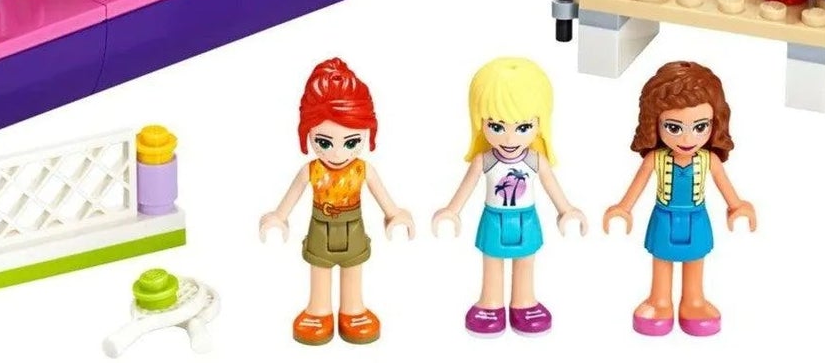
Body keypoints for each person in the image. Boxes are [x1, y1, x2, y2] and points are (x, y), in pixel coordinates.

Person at [260, 58, 414, 346]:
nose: (338, 153)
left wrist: (394, 214)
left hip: (353, 227)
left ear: (368, 133)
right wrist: (279, 217)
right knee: (319, 270)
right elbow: (291, 196)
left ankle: (353, 309)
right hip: (319, 227)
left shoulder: (363, 170)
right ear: (308, 134)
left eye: (351, 142)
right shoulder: (311, 170)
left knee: (353, 268)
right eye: (325, 143)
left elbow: (384, 199)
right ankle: (318, 310)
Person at [432, 57, 588, 334]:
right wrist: (451, 211)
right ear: (480, 123)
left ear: (540, 125)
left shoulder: (536, 160)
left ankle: (524, 303)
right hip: (493, 218)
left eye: (523, 127)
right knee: (492, 262)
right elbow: (467, 187)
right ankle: (490, 304)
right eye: (497, 126)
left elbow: (552, 186)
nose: (509, 138)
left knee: (526, 262)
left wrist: (566, 210)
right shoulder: (484, 160)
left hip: (526, 219)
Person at [602, 60, 758, 336]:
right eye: (674, 128)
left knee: (695, 259)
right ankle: (659, 301)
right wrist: (624, 209)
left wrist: (737, 206)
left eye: (700, 127)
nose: (687, 138)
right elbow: (637, 186)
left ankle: (693, 302)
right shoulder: (655, 159)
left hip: (697, 218)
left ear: (714, 123)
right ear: (655, 124)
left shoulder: (709, 160)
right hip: (664, 216)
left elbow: (726, 187)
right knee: (662, 260)